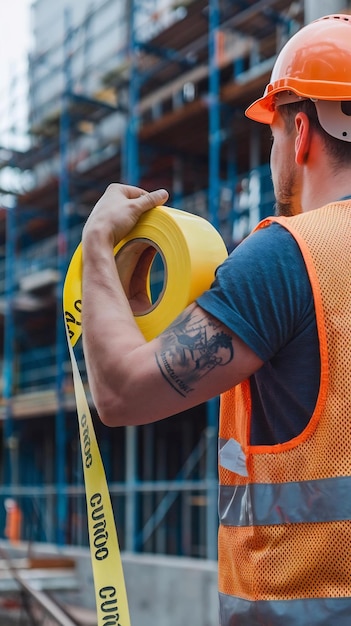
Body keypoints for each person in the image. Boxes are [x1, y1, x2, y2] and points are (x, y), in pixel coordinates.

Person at [81, 14, 351, 626]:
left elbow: (122, 392)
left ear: (301, 131)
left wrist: (98, 249)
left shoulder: (290, 255)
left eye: (275, 134)